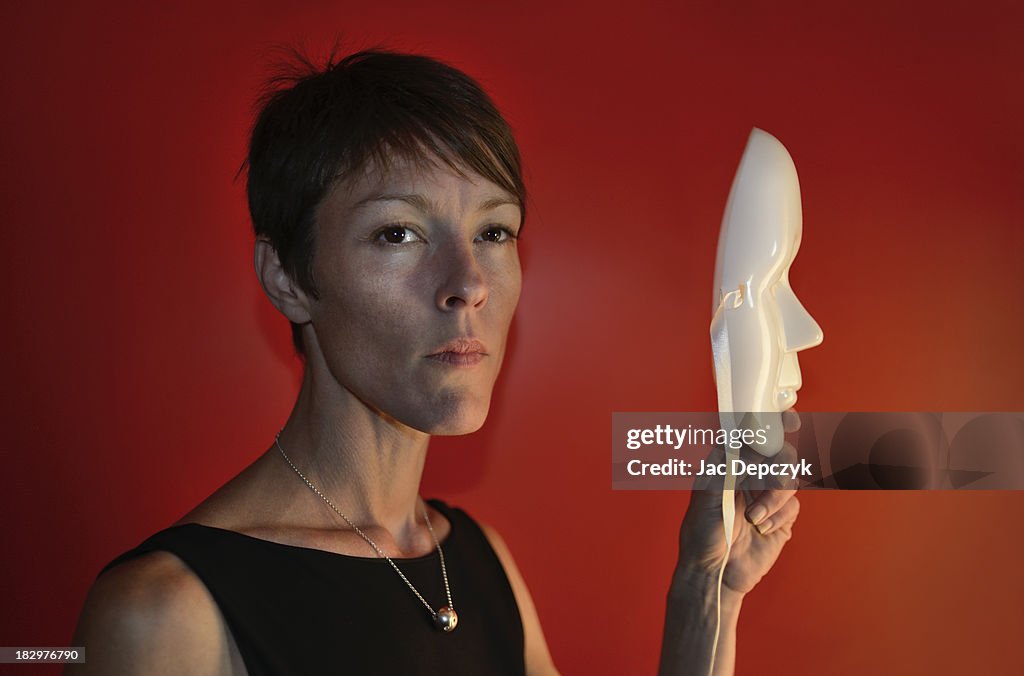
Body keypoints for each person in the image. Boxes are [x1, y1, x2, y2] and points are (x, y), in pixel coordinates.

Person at [68, 49, 800, 675]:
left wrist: (706, 596)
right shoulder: (165, 614)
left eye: (495, 230)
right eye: (398, 233)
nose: (468, 283)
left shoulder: (482, 563)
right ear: (288, 278)